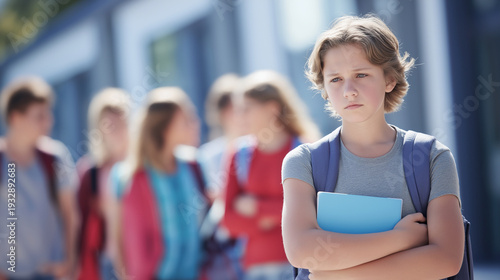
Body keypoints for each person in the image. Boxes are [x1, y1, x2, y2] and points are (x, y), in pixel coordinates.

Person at [281, 15, 464, 279]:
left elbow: (446, 260)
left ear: (389, 80)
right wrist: (400, 238)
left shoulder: (433, 157)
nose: (349, 90)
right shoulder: (303, 162)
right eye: (335, 79)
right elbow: (302, 252)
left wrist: (338, 275)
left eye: (361, 74)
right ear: (324, 88)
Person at [222, 70, 320, 280]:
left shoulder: (305, 151)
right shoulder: (237, 155)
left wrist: (258, 209)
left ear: (272, 109)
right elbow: (228, 221)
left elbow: (315, 211)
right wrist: (281, 214)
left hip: (300, 266)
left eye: (246, 109)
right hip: (252, 270)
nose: (238, 118)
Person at [120, 87, 207, 280]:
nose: (196, 124)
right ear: (165, 128)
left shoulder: (194, 166)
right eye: (187, 120)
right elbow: (137, 249)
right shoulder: (138, 180)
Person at [0, 77, 78, 280]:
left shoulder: (55, 157)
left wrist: (69, 261)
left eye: (48, 114)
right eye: (40, 116)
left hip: (51, 272)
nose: (49, 121)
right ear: (16, 117)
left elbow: (70, 214)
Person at [76, 88, 130, 280]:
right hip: (109, 261)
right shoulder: (90, 173)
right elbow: (79, 227)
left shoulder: (141, 167)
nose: (116, 130)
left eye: (121, 122)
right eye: (109, 125)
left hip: (144, 257)